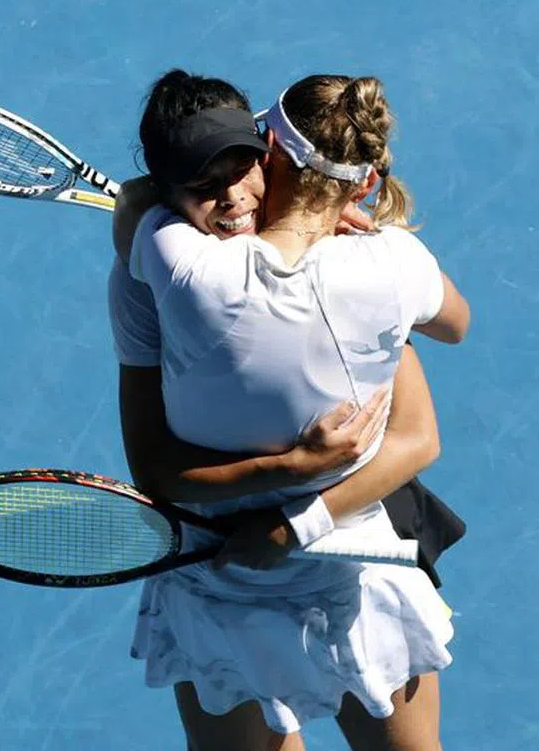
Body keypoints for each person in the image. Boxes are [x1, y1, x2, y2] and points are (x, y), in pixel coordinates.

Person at [110, 71, 471, 751]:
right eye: (201, 183)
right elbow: (155, 469)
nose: (232, 195)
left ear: (269, 150)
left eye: (242, 166)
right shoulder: (386, 264)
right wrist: (293, 470)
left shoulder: (160, 253)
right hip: (239, 582)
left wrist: (290, 524)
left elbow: (417, 441)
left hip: (339, 570)